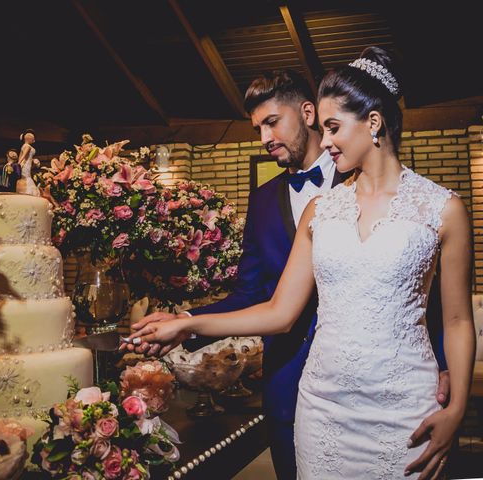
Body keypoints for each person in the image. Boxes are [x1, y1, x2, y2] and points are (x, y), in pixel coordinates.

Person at [127, 47, 474, 479]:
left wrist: (457, 405)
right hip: (321, 408)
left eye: (333, 128)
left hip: (405, 405)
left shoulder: (443, 209)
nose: (325, 142)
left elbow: (457, 319)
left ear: (373, 122)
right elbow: (277, 309)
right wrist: (186, 322)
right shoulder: (321, 210)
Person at [17, 129, 41, 196]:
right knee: (27, 178)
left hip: (27, 164)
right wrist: (18, 164)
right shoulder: (27, 146)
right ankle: (28, 192)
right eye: (32, 139)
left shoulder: (24, 146)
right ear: (28, 139)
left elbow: (25, 156)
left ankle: (26, 191)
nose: (34, 140)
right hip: (25, 165)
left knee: (27, 177)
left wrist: (33, 161)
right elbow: (23, 156)